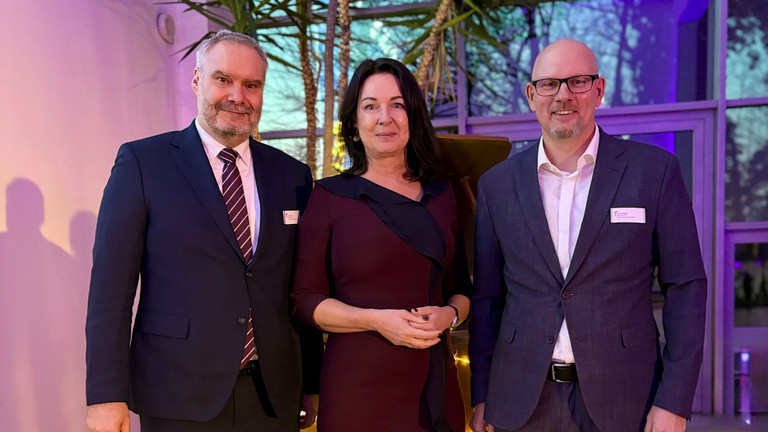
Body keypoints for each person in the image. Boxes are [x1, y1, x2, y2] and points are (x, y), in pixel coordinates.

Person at [85, 30, 322, 432]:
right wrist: (106, 396)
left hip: (272, 396)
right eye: (223, 79)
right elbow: (111, 291)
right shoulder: (143, 163)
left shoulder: (292, 175)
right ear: (197, 80)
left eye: (251, 85)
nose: (237, 96)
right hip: (177, 392)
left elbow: (301, 286)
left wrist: (311, 383)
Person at [468, 39, 707, 432]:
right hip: (519, 404)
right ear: (531, 95)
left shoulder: (653, 172)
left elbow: (686, 287)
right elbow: (487, 300)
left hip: (626, 401)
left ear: (599, 89)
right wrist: (482, 394)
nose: (563, 95)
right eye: (549, 84)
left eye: (577, 81)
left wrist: (674, 400)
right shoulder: (496, 186)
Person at [290, 58, 471, 432]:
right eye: (371, 106)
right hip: (357, 388)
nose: (385, 117)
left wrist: (449, 315)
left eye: (397, 104)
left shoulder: (443, 196)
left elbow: (462, 291)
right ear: (354, 124)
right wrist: (375, 319)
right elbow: (304, 300)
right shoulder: (328, 197)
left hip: (435, 382)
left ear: (412, 116)